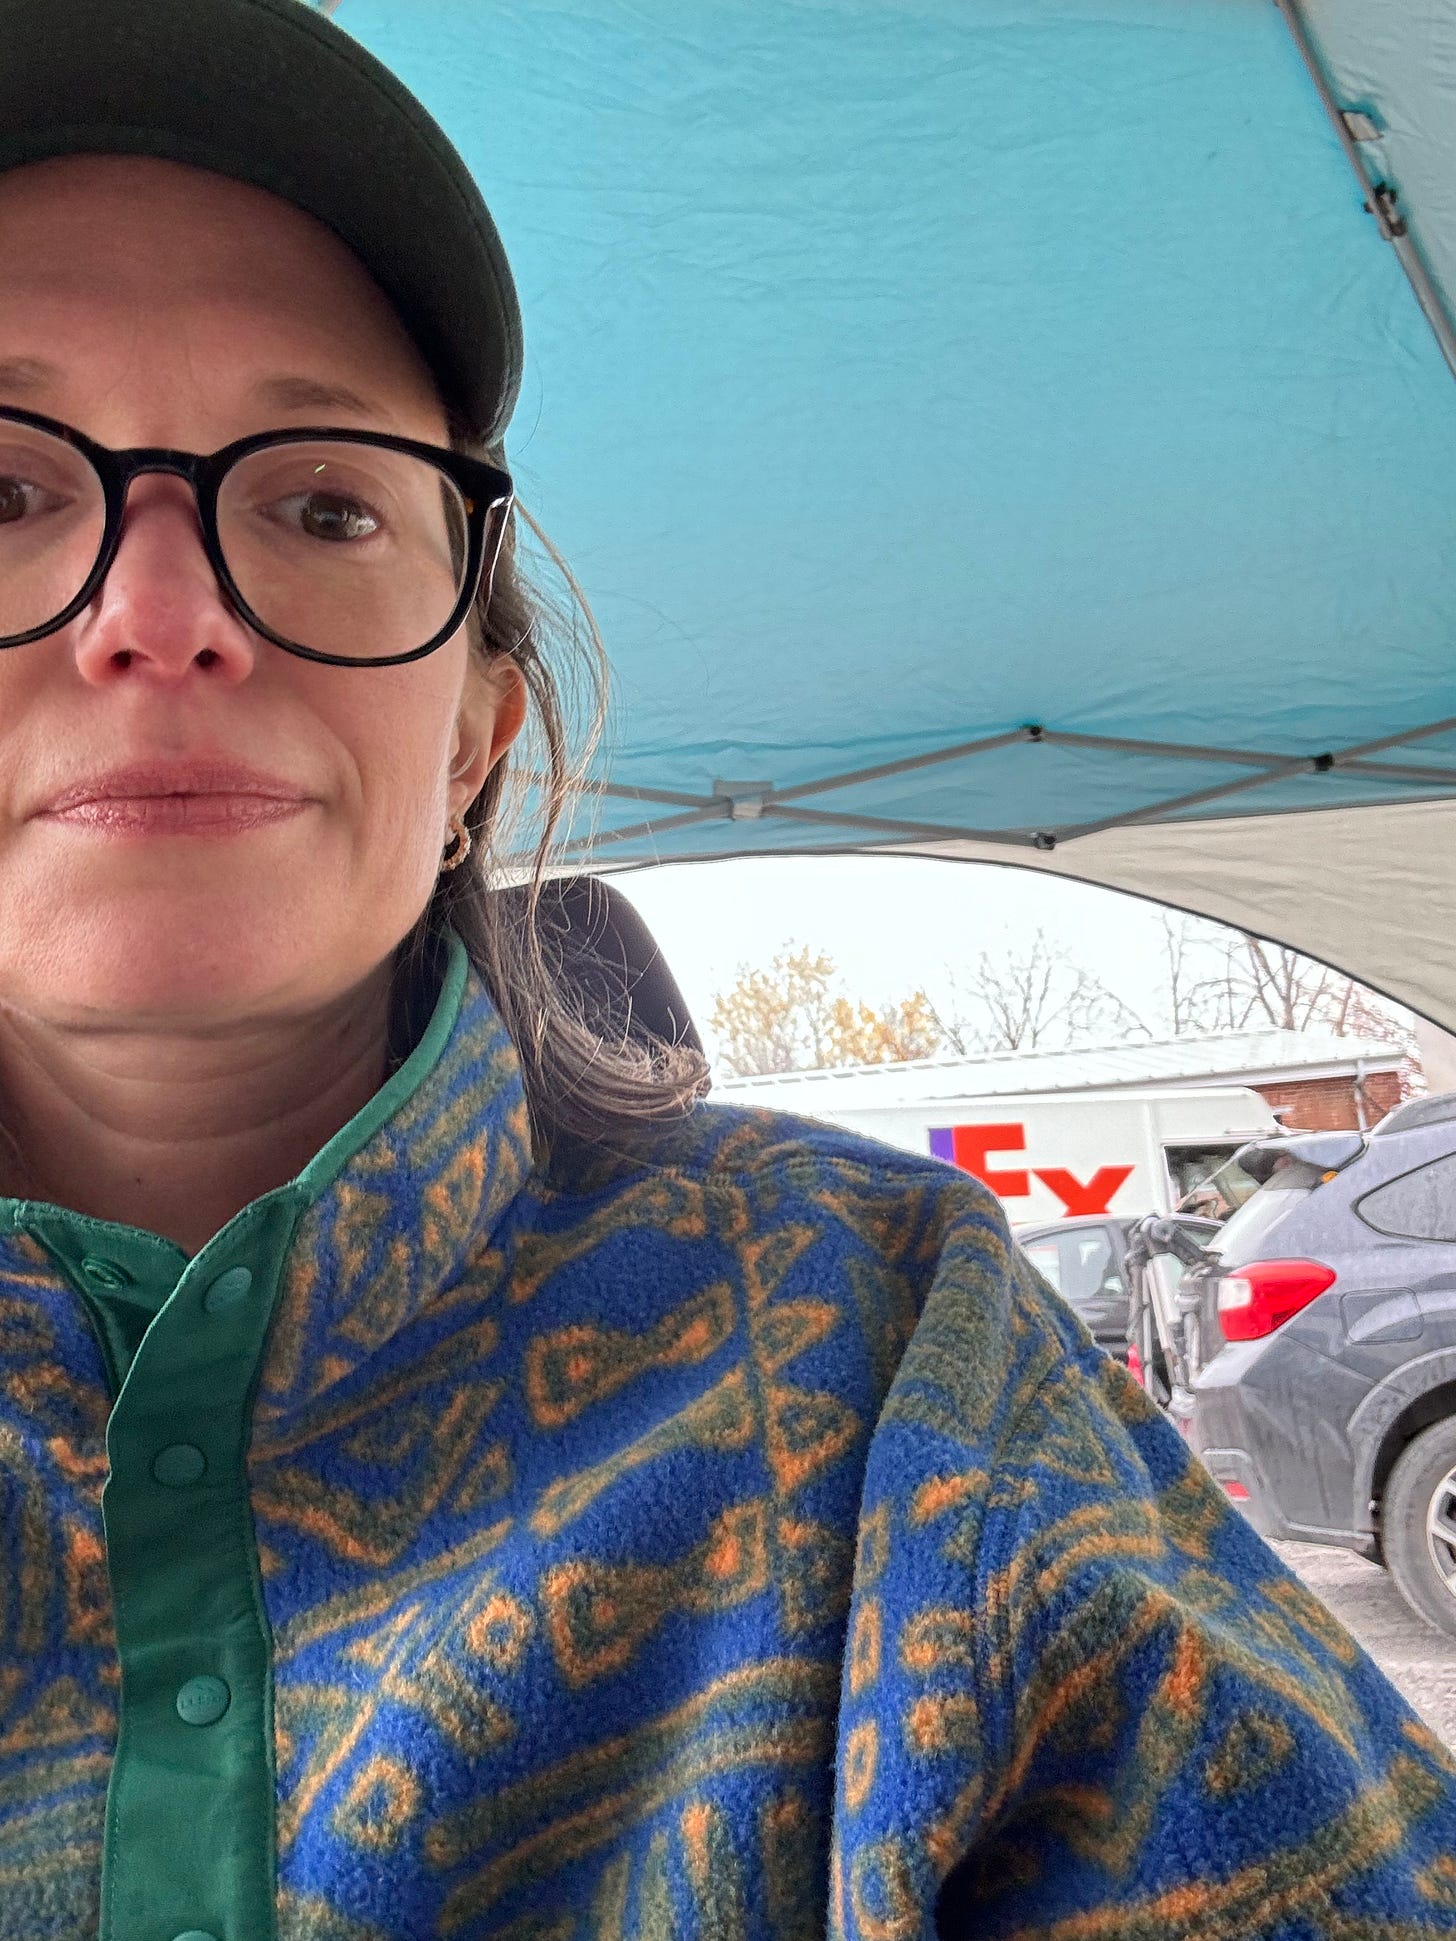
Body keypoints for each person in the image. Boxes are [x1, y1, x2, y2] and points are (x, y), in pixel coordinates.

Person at [0, 5, 1452, 1939]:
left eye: (324, 502)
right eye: (4, 490)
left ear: (473, 740)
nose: (157, 613)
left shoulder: (894, 1353)